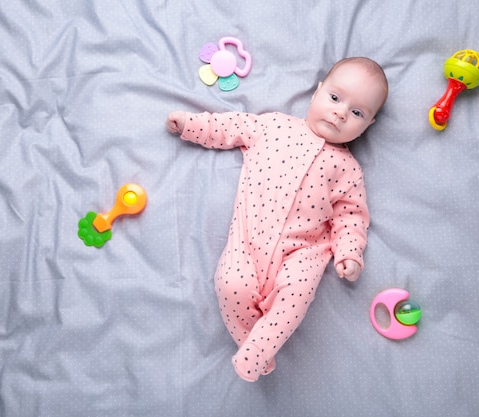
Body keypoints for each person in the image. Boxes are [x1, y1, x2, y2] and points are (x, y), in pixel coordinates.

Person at [165, 57, 388, 382]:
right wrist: (190, 125)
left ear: (368, 124)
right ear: (317, 93)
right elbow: (231, 127)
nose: (341, 113)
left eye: (357, 113)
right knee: (229, 284)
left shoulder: (348, 169)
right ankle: (252, 347)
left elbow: (351, 217)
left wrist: (350, 253)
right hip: (249, 238)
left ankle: (257, 352)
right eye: (336, 98)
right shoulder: (274, 126)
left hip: (304, 251)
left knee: (295, 295)